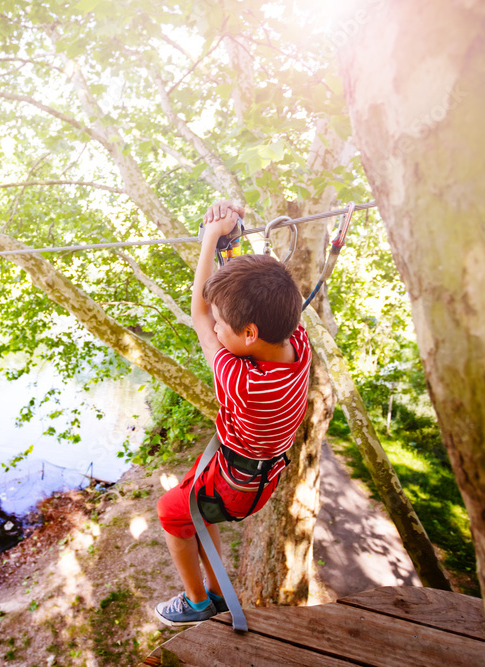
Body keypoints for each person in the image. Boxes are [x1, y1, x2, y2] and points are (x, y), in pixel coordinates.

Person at [154, 200, 313, 626]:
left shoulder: (241, 380)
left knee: (172, 511)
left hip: (237, 481)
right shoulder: (298, 343)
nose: (217, 330)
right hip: (256, 470)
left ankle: (198, 603)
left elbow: (200, 314)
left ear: (249, 332)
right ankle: (218, 592)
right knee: (198, 515)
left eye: (225, 326)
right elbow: (254, 298)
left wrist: (211, 236)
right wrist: (232, 247)